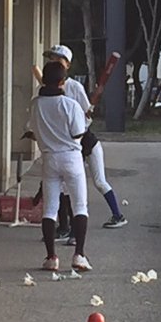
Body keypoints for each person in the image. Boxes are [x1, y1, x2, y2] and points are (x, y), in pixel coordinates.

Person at [35, 44, 127, 230]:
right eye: (51, 59)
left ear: (67, 65)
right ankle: (65, 228)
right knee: (62, 189)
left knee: (99, 181)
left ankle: (118, 215)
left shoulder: (74, 87)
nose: (54, 62)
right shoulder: (44, 90)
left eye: (58, 59)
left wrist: (84, 117)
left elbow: (87, 116)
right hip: (67, 147)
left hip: (86, 143)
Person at [30, 59, 93, 272]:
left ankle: (51, 257)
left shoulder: (35, 104)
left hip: (48, 157)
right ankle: (79, 255)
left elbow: (32, 130)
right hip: (71, 157)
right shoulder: (70, 105)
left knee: (50, 209)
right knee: (80, 206)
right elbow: (78, 133)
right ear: (62, 81)